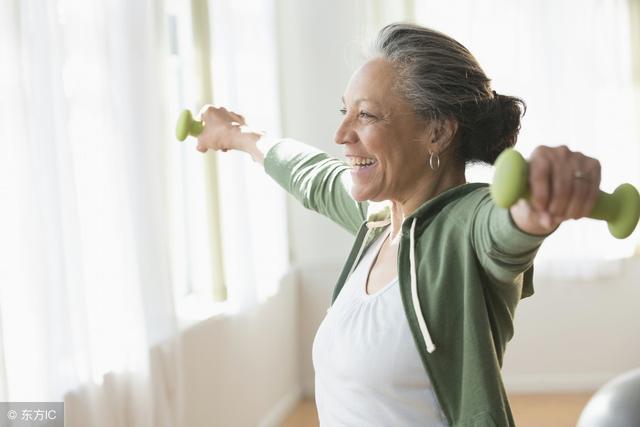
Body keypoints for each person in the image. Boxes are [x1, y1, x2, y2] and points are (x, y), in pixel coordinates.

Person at [193, 23, 601, 427]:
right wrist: (239, 135)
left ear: (437, 132)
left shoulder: (465, 227)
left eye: (366, 115)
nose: (340, 134)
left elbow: (502, 228)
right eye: (344, 111)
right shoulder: (380, 220)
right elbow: (311, 175)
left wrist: (536, 208)